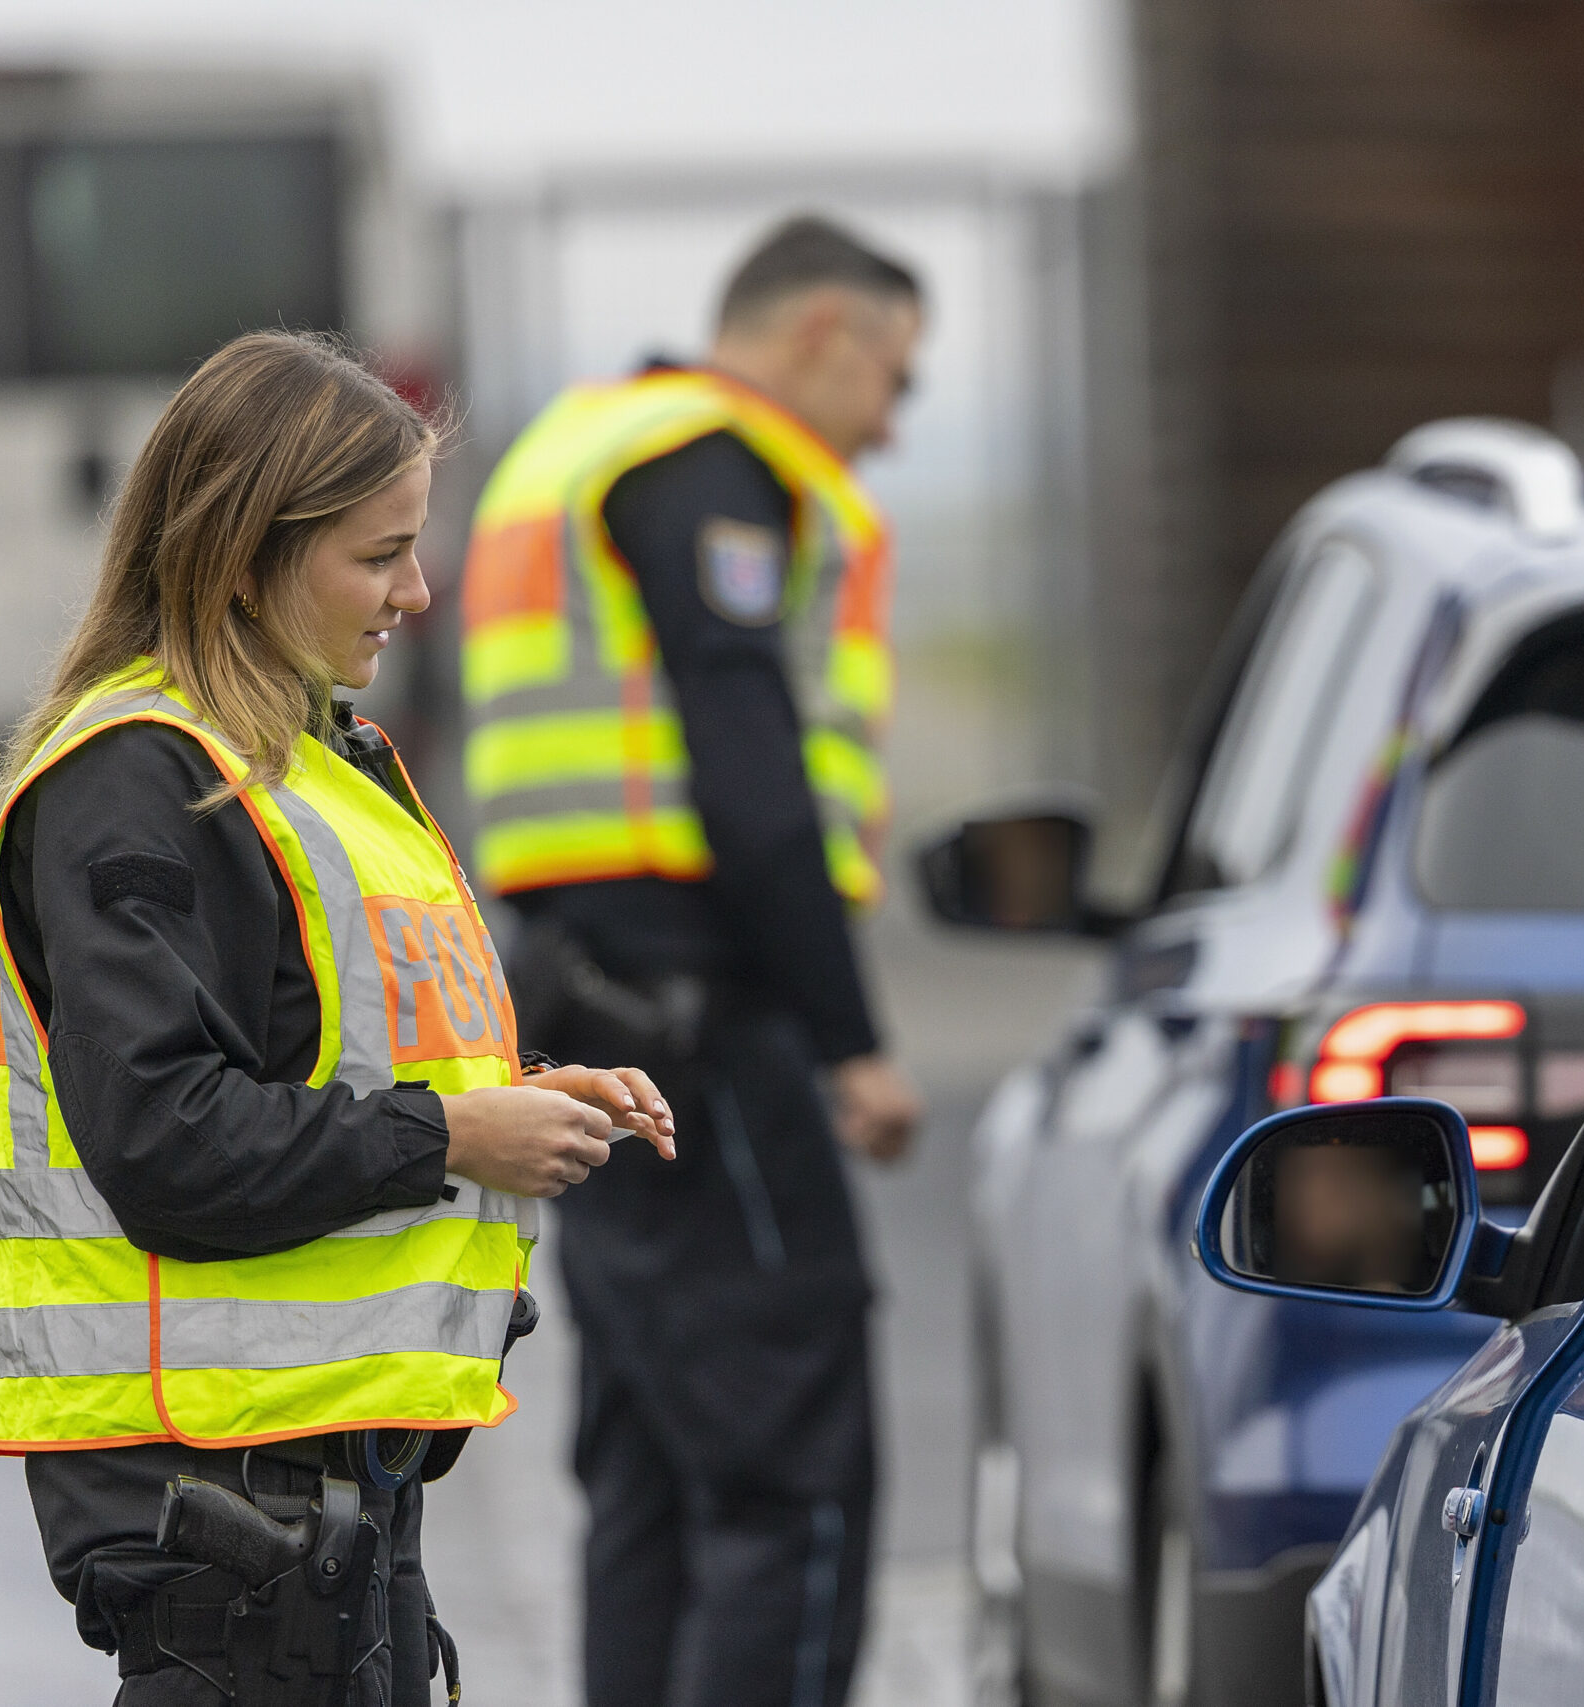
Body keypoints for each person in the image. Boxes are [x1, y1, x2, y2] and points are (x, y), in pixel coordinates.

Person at [0, 329, 675, 1705]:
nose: (417, 591)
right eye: (377, 553)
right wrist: (459, 1134)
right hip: (216, 1511)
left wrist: (524, 1098)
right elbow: (164, 1141)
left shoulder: (314, 764)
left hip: (319, 1507)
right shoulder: (140, 782)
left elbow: (327, 1056)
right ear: (242, 553)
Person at [460, 214, 926, 1707]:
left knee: (658, 1468)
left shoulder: (583, 449)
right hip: (699, 1015)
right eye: (894, 380)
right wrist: (851, 1039)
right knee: (796, 1471)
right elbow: (754, 780)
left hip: (590, 996)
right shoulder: (718, 471)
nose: (895, 422)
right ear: (818, 337)